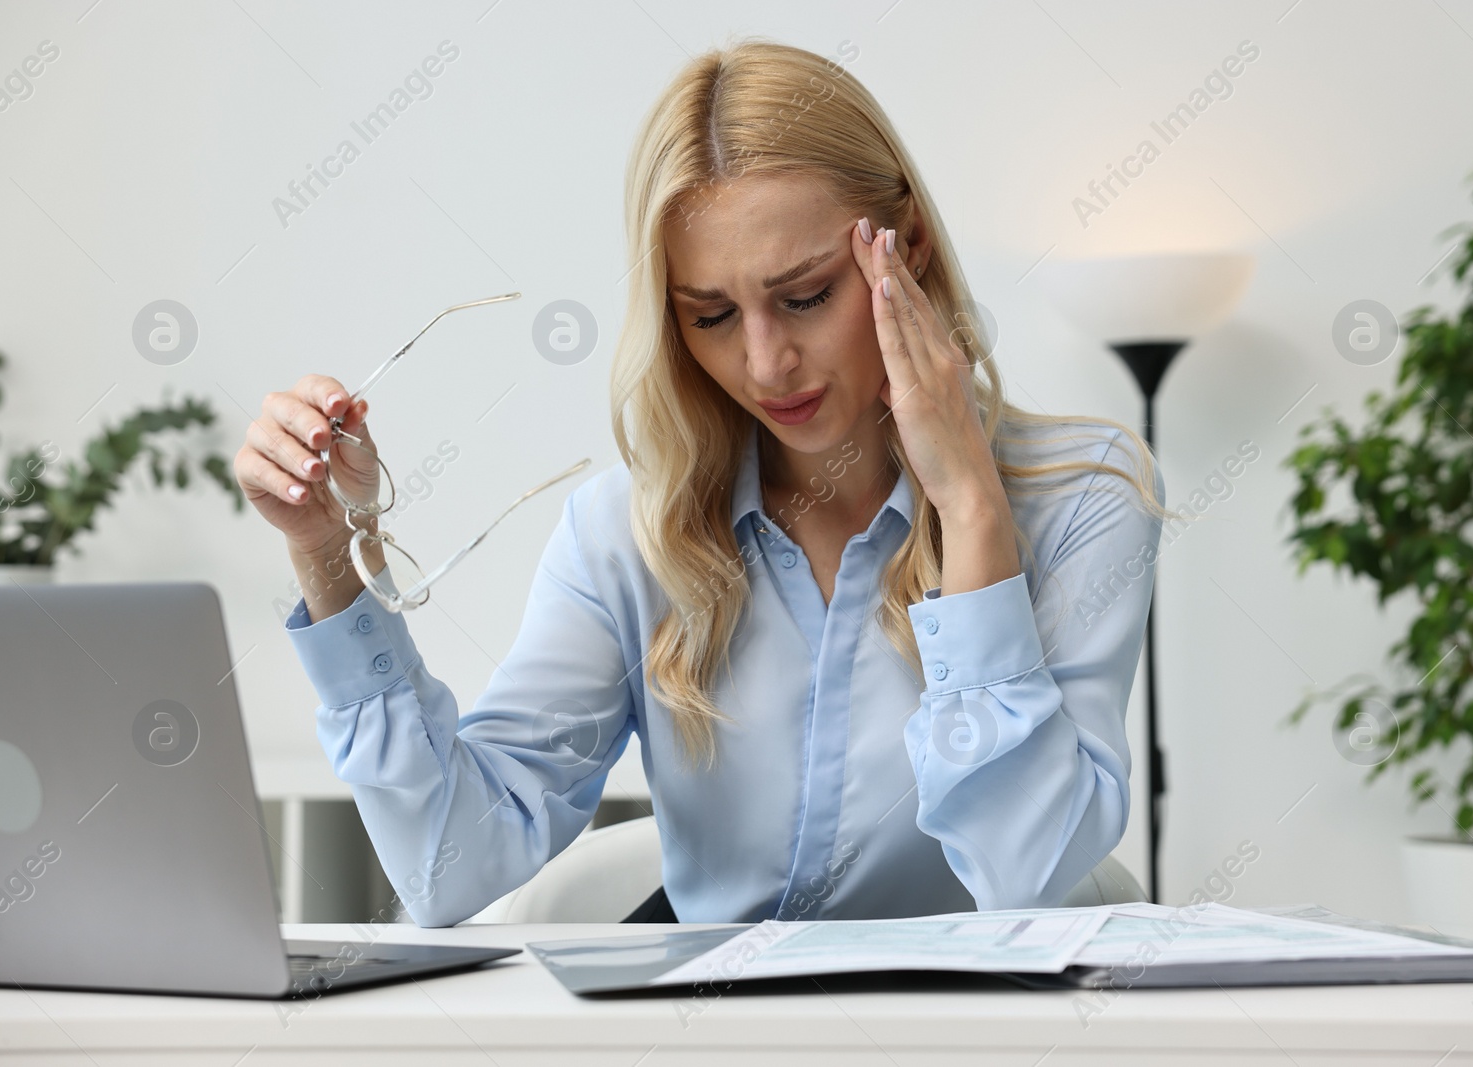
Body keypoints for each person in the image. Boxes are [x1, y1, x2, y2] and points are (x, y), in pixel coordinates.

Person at [233, 39, 1166, 927]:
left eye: (805, 296)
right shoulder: (621, 537)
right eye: (712, 315)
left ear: (907, 245)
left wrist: (970, 511)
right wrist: (325, 555)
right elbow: (448, 864)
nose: (767, 364)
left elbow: (1027, 867)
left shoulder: (1083, 498)